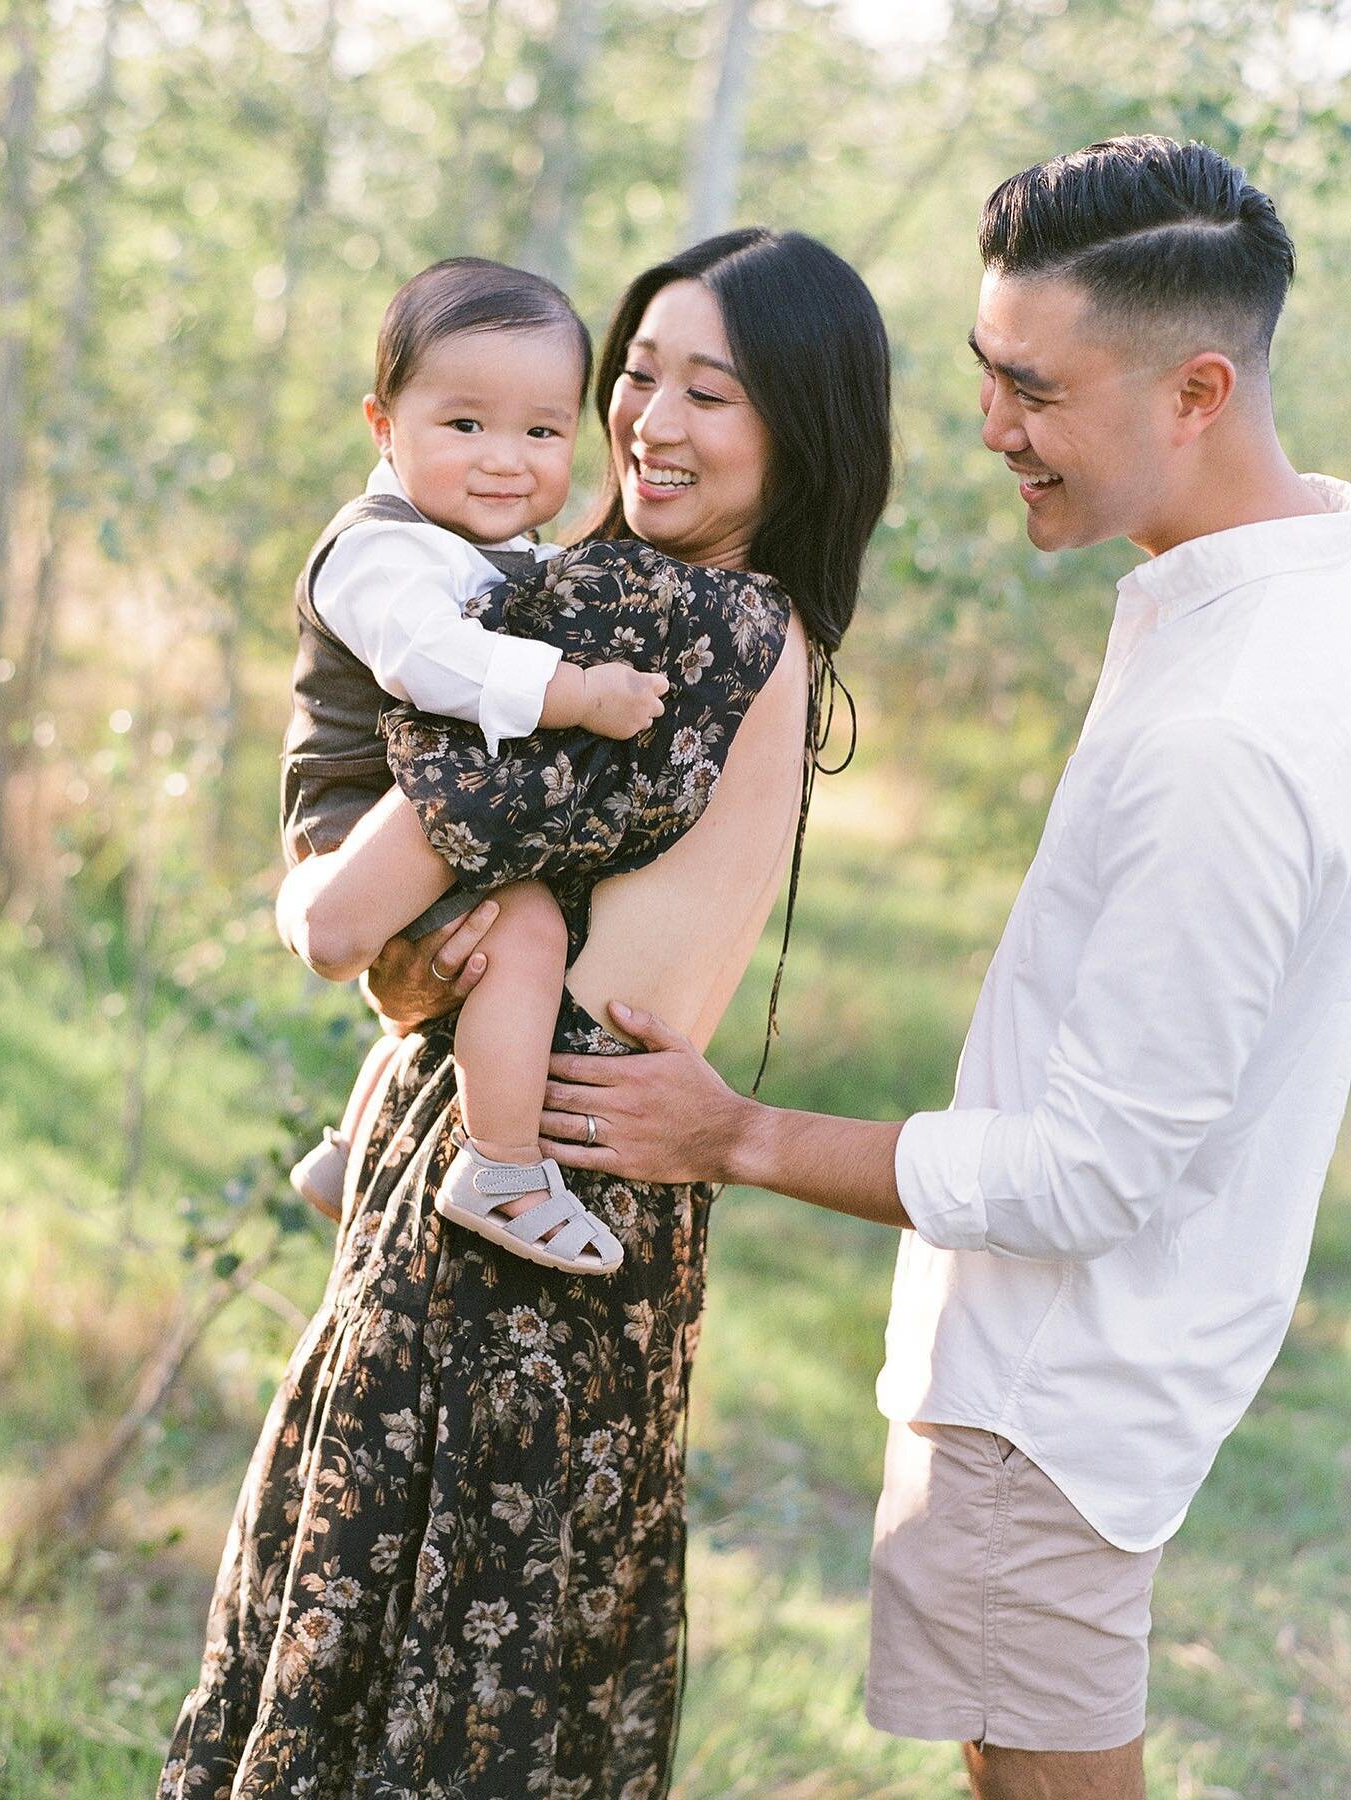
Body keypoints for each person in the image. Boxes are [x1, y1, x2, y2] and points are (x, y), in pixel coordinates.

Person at [543, 136, 1351, 1800]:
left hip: (1055, 1401)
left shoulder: (1229, 734)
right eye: (987, 374)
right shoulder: (1296, 590)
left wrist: (738, 1135)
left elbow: (1093, 1170)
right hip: (1107, 1370)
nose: (991, 430)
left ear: (1198, 390)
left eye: (1034, 391)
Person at [160, 226, 892, 1797]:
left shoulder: (657, 613)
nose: (656, 422)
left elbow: (384, 881)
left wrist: (320, 909)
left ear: (803, 426)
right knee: (526, 1655)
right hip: (599, 1190)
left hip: (526, 1174)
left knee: (403, 1640)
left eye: (719, 391)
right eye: (638, 374)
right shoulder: (770, 621)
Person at [279, 257, 667, 1273]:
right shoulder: (384, 550)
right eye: (465, 426)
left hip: (421, 802)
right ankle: (500, 1165)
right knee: (528, 932)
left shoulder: (491, 543)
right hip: (363, 811)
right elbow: (429, 660)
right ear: (383, 427)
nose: (506, 460)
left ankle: (350, 1147)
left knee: (478, 957)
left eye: (541, 431)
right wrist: (579, 693)